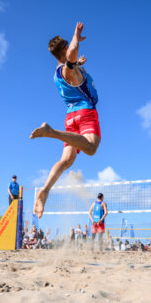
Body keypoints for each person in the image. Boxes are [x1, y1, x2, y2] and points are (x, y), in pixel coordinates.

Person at [30, 22, 101, 218]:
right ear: (64, 49)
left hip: (70, 118)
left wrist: (79, 62)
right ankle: (50, 132)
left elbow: (71, 62)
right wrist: (76, 37)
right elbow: (70, 58)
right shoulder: (68, 67)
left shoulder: (59, 72)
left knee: (66, 160)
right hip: (85, 112)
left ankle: (45, 190)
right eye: (68, 44)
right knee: (91, 148)